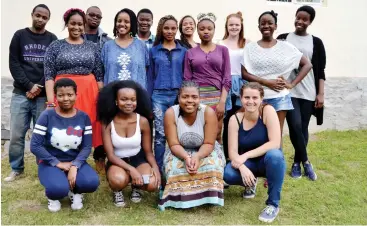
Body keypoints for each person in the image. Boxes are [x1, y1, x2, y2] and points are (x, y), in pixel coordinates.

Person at [5, 4, 57, 182]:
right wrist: (29, 86)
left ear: (48, 20)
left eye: (44, 17)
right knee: (16, 134)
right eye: (38, 15)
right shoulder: (20, 35)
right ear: (32, 15)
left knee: (41, 135)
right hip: (21, 93)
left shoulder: (52, 39)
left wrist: (39, 87)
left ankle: (43, 168)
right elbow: (14, 63)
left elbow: (52, 67)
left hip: (42, 97)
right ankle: (16, 168)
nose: (40, 19)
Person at [30, 78, 99, 212]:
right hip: (49, 162)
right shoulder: (47, 116)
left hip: (74, 160)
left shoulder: (84, 117)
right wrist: (57, 163)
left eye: (70, 94)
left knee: (91, 182)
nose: (65, 98)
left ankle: (75, 191)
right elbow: (35, 145)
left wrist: (75, 165)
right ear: (55, 97)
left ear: (76, 95)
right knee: (58, 189)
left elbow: (86, 147)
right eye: (61, 95)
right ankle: (53, 196)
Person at [44, 8, 104, 160]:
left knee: (86, 127)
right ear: (67, 24)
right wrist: (51, 101)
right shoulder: (55, 46)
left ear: (84, 25)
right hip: (63, 92)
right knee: (63, 126)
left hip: (89, 94)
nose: (76, 27)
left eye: (80, 24)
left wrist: (101, 99)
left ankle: (87, 161)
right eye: (73, 24)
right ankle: (62, 161)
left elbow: (99, 75)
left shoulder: (93, 47)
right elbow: (49, 75)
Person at [241, 10, 312, 135]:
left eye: (270, 23)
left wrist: (291, 84)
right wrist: (266, 82)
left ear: (275, 26)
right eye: (263, 23)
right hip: (256, 98)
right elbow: (244, 73)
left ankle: (276, 155)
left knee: (275, 134)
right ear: (259, 27)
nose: (266, 26)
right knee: (257, 134)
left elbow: (307, 64)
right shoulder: (250, 48)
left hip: (279, 98)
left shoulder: (285, 47)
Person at [223, 82, 285, 223]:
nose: (250, 101)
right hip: (249, 164)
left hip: (267, 161)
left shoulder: (267, 111)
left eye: (255, 98)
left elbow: (275, 143)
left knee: (274, 155)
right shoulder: (235, 119)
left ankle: (272, 204)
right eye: (247, 97)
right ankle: (250, 183)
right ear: (241, 98)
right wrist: (243, 167)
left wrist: (245, 156)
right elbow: (232, 152)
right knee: (228, 173)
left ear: (261, 98)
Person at [159, 81, 225, 211]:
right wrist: (186, 157)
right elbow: (173, 144)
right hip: (179, 149)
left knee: (213, 166)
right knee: (174, 168)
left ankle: (208, 196)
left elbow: (209, 143)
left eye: (194, 97)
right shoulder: (171, 113)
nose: (190, 101)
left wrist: (197, 156)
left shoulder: (208, 113)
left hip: (205, 148)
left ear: (199, 98)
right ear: (178, 98)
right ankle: (178, 197)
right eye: (185, 97)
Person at [277, 5, 325, 181]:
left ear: (310, 22)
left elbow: (321, 71)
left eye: (305, 19)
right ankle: (306, 162)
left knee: (303, 128)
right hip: (288, 91)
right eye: (298, 17)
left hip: (308, 91)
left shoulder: (316, 42)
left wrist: (321, 94)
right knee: (295, 126)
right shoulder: (283, 38)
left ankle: (296, 163)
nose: (300, 21)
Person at [97, 80, 160, 207]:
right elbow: (110, 156)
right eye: (124, 99)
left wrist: (156, 169)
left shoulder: (142, 121)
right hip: (117, 161)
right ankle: (117, 190)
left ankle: (136, 186)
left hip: (138, 159)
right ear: (116, 101)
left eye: (133, 99)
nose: (129, 103)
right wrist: (131, 170)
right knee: (118, 180)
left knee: (152, 183)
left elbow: (148, 152)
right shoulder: (108, 123)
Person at [148, 15, 187, 176]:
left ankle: (178, 169)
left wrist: (184, 95)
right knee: (160, 135)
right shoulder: (154, 51)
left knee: (179, 133)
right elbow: (150, 77)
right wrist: (148, 100)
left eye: (173, 28)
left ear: (176, 29)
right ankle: (159, 170)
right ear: (161, 29)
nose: (170, 31)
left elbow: (186, 75)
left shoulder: (183, 51)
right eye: (166, 28)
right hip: (158, 96)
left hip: (178, 97)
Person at [184, 12, 231, 143]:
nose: (206, 31)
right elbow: (187, 79)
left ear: (214, 30)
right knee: (198, 132)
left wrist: (222, 102)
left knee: (217, 133)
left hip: (217, 96)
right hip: (196, 97)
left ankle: (218, 162)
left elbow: (227, 78)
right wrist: (191, 100)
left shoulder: (223, 50)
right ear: (197, 31)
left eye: (209, 29)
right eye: (202, 28)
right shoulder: (190, 52)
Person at [84, 5, 111, 173]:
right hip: (82, 85)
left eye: (98, 16)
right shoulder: (76, 35)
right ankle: (76, 158)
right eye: (91, 15)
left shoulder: (106, 40)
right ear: (85, 16)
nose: (95, 18)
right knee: (81, 121)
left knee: (100, 121)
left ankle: (100, 158)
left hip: (100, 85)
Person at [218, 11, 248, 161]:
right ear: (226, 26)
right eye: (231, 25)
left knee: (242, 121)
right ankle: (228, 158)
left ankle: (241, 157)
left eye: (237, 25)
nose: (234, 27)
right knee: (228, 121)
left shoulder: (247, 43)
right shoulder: (220, 44)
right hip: (227, 84)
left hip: (243, 84)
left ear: (241, 26)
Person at [101, 8, 149, 90]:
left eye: (126, 22)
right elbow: (103, 71)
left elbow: (145, 71)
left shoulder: (141, 46)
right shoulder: (107, 46)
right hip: (112, 95)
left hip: (135, 97)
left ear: (132, 24)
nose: (122, 24)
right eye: (119, 21)